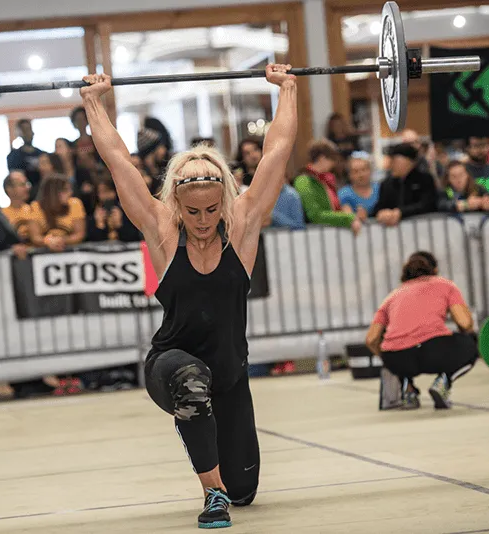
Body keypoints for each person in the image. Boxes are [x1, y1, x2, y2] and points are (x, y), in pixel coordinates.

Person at [82, 63, 296, 529]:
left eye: (212, 209)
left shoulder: (241, 231)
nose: (203, 219)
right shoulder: (161, 231)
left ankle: (230, 488)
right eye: (193, 210)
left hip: (230, 374)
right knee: (192, 381)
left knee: (248, 491)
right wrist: (94, 102)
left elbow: (277, 152)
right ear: (176, 203)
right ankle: (212, 494)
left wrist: (289, 89)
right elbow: (118, 160)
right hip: (170, 364)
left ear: (225, 201)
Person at [365, 252, 478, 410]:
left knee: (396, 347)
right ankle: (443, 382)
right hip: (434, 352)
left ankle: (407, 388)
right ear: (435, 270)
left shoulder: (391, 297)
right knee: (471, 343)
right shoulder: (445, 285)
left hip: (397, 359)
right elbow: (465, 324)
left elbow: (371, 339)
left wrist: (386, 358)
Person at [293, 139, 360, 234]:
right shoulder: (304, 181)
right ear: (322, 158)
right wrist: (349, 218)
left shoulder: (324, 179)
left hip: (327, 233)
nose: (334, 164)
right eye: (332, 159)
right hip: (316, 234)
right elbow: (315, 215)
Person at [373, 143, 438, 227]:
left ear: (409, 162)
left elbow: (427, 204)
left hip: (422, 229)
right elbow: (379, 206)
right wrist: (381, 213)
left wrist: (401, 212)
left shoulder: (424, 179)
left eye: (395, 161)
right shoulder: (387, 184)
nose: (391, 165)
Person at [29, 174, 87, 251]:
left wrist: (60, 241)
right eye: (66, 190)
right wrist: (48, 241)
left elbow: (79, 234)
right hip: (44, 256)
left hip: (71, 253)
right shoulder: (35, 207)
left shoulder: (75, 203)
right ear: (53, 193)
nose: (71, 193)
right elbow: (35, 237)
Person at [86, 175, 141, 242]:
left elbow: (134, 237)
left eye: (108, 191)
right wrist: (100, 225)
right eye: (102, 192)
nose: (106, 196)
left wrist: (119, 224)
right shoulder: (94, 214)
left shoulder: (127, 211)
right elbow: (91, 242)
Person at [7, 119, 44, 199]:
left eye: (29, 129)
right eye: (24, 130)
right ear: (19, 134)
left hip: (42, 194)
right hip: (22, 196)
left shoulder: (42, 154)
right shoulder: (14, 156)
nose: (28, 133)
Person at [338, 152, 380, 221]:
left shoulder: (381, 189)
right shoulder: (344, 193)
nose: (361, 174)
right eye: (355, 171)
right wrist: (355, 217)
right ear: (349, 175)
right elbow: (347, 216)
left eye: (364, 170)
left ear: (370, 170)